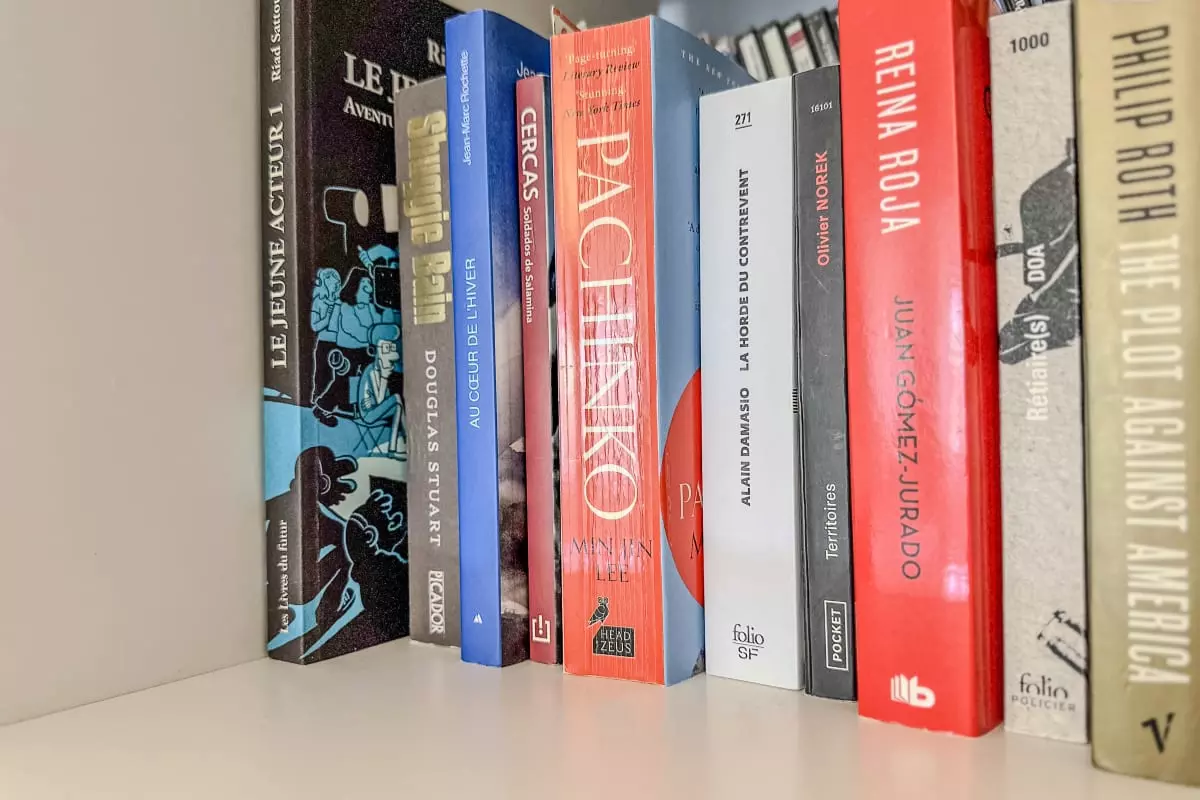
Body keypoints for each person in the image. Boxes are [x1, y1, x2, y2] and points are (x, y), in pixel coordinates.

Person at [357, 322, 404, 455]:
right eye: (387, 348)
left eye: (392, 347)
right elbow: (379, 401)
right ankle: (393, 449)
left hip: (378, 409)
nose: (391, 352)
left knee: (399, 404)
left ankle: (403, 443)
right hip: (369, 414)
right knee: (397, 400)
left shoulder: (385, 368)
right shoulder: (372, 371)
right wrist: (384, 377)